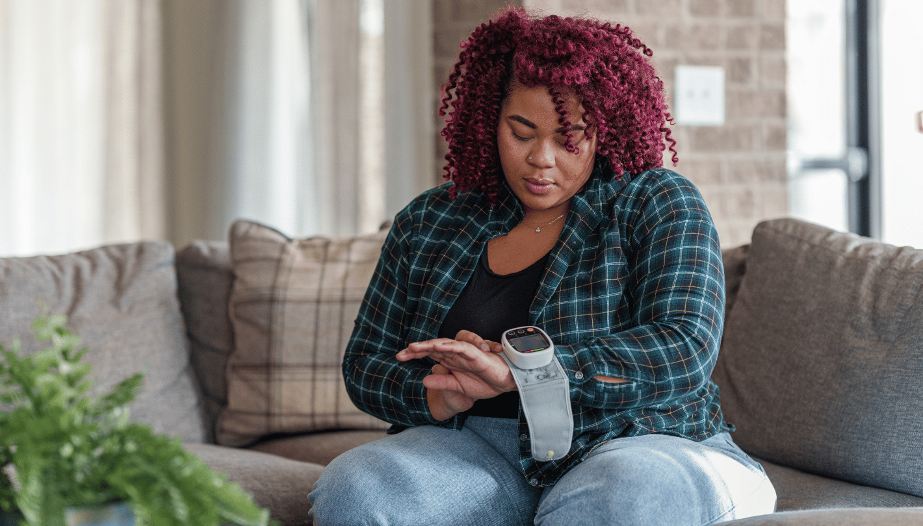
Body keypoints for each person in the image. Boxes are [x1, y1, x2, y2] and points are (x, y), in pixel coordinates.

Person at [309, 7, 776, 526]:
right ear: (490, 119)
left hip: (638, 440)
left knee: (620, 500)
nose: (543, 158)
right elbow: (366, 363)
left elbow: (685, 347)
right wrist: (439, 396)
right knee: (356, 491)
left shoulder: (659, 202)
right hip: (480, 449)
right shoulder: (431, 219)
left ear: (606, 130)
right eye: (522, 131)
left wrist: (526, 373)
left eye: (569, 136)